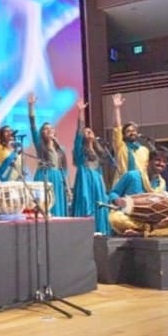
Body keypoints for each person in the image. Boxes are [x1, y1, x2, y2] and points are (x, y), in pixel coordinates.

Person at [107, 145, 168, 237]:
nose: (161, 164)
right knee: (116, 218)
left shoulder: (162, 184)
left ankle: (142, 232)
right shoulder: (132, 176)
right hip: (133, 218)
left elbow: (163, 206)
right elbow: (113, 193)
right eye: (158, 160)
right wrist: (118, 200)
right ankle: (151, 231)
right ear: (149, 161)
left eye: (164, 162)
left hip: (154, 222)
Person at [71, 98, 110, 235]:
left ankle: (100, 231)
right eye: (86, 132)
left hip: (97, 183)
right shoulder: (80, 151)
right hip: (85, 183)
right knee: (86, 204)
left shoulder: (99, 152)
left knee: (100, 205)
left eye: (90, 131)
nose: (88, 133)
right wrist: (80, 112)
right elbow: (78, 133)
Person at [28, 93, 69, 217]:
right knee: (46, 206)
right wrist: (31, 106)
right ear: (42, 133)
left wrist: (67, 186)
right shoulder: (40, 145)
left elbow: (63, 169)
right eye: (46, 129)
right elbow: (33, 125)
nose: (49, 130)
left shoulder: (60, 149)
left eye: (51, 128)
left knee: (58, 205)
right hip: (45, 176)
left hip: (58, 178)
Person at [111, 93, 149, 186]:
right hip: (123, 185)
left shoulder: (144, 150)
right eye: (128, 131)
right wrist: (117, 108)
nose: (132, 132)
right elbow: (117, 127)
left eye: (133, 130)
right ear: (124, 135)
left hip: (140, 185)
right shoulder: (120, 146)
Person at [0, 92, 23, 182]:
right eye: (6, 131)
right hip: (3, 184)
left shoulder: (18, 151)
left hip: (17, 184)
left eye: (11, 131)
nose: (10, 132)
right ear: (1, 135)